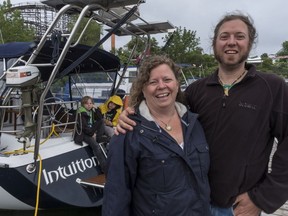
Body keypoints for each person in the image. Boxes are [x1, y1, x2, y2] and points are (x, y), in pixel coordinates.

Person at [115, 12, 288, 216]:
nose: (231, 42)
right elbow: (160, 110)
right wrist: (130, 114)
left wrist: (262, 198)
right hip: (192, 205)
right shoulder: (197, 91)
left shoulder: (272, 88)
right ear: (214, 43)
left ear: (250, 42)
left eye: (239, 36)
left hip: (238, 208)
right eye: (224, 36)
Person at [102, 55, 211, 216]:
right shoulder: (128, 132)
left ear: (177, 84)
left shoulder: (194, 124)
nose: (161, 86)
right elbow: (116, 195)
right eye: (153, 82)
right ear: (143, 89)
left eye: (167, 79)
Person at [74, 96, 107, 173]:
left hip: (90, 130)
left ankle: (99, 137)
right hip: (83, 133)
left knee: (101, 121)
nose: (89, 105)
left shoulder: (91, 110)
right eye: (86, 103)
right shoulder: (81, 112)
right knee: (96, 146)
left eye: (90, 103)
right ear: (83, 104)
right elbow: (84, 127)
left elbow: (99, 118)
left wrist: (96, 109)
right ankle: (105, 169)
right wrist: (92, 134)